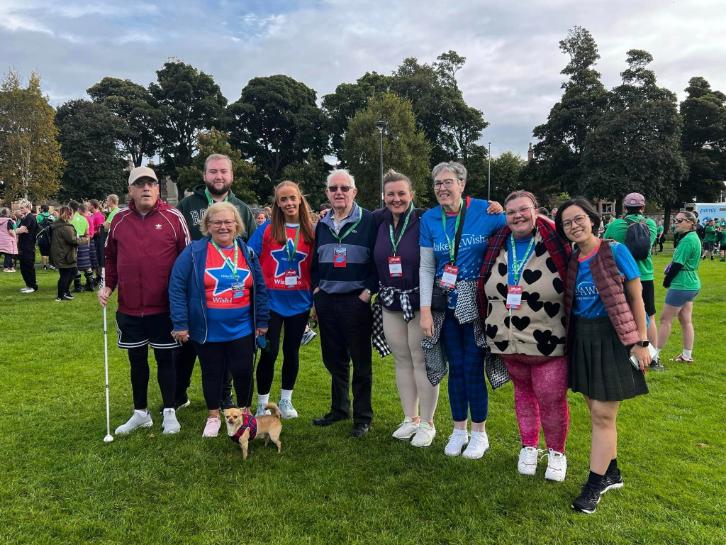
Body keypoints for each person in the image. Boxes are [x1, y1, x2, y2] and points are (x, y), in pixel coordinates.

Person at [555, 198, 651, 514]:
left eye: (578, 218)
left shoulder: (614, 250)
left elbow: (638, 297)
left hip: (613, 337)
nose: (573, 225)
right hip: (582, 336)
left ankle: (595, 484)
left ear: (593, 220)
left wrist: (642, 341)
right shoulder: (572, 258)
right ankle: (612, 471)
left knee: (603, 415)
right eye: (567, 222)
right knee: (594, 408)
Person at [480, 190, 571, 480]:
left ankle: (557, 451)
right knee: (522, 395)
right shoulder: (497, 244)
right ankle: (529, 446)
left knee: (551, 397)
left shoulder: (556, 242)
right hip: (507, 341)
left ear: (536, 211)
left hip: (547, 342)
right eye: (511, 212)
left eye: (523, 210)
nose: (517, 216)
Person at [419, 161, 505, 459]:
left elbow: (523, 225)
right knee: (455, 367)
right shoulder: (430, 218)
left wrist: (502, 206)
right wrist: (426, 309)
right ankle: (458, 429)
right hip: (445, 301)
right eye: (437, 183)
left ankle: (480, 432)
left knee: (472, 366)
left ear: (462, 184)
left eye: (447, 182)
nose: (442, 188)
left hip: (477, 301)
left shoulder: (486, 211)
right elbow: (427, 266)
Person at [98, 166, 190, 436]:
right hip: (129, 307)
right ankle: (140, 412)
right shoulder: (119, 220)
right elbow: (110, 259)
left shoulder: (174, 217)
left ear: (158, 189)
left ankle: (170, 411)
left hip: (164, 307)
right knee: (137, 360)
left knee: (166, 359)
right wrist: (108, 286)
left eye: (151, 184)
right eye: (140, 185)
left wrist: (184, 301)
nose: (146, 188)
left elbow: (187, 260)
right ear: (131, 190)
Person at [169, 202, 269, 438]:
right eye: (217, 222)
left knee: (243, 371)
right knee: (211, 372)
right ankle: (214, 416)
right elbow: (176, 287)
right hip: (207, 329)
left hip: (242, 328)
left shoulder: (247, 252)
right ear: (208, 226)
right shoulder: (194, 252)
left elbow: (261, 289)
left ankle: (243, 414)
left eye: (228, 222)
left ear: (237, 225)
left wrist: (262, 321)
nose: (223, 227)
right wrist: (180, 324)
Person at [174, 153, 257, 410]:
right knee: (188, 348)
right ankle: (179, 393)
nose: (218, 176)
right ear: (204, 175)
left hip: (230, 292)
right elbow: (177, 245)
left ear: (231, 175)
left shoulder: (242, 208)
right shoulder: (186, 206)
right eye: (213, 172)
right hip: (194, 290)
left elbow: (251, 251)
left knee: (229, 347)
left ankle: (224, 394)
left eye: (223, 171)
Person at [372, 170, 439, 447]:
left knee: (421, 359)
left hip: (420, 300)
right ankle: (409, 418)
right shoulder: (377, 219)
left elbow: (462, 214)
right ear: (384, 197)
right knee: (402, 360)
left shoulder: (426, 218)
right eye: (391, 194)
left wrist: (494, 208)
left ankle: (427, 422)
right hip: (389, 300)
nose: (396, 198)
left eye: (401, 193)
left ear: (411, 194)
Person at [311, 169, 378, 438]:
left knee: (361, 362)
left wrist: (368, 290)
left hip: (356, 301)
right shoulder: (322, 224)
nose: (339, 192)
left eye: (344, 188)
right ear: (327, 193)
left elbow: (380, 257)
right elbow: (314, 261)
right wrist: (316, 289)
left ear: (354, 191)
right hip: (327, 300)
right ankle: (340, 408)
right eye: (333, 188)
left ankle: (363, 417)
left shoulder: (370, 221)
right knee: (333, 359)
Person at [248, 181, 314, 420]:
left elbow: (315, 266)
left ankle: (286, 400)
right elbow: (249, 256)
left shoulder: (310, 229)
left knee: (292, 352)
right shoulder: (266, 229)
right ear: (277, 202)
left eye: (292, 198)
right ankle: (263, 403)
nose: (288, 203)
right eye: (283, 199)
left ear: (300, 199)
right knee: (269, 352)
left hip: (299, 302)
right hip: (271, 303)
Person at [603, 193, 658, 344]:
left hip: (623, 276)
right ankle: (654, 357)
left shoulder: (615, 224)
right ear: (643, 207)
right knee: (650, 316)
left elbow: (605, 244)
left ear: (625, 207)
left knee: (623, 315)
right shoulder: (650, 224)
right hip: (645, 275)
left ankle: (626, 351)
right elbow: (649, 245)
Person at [654, 210, 702, 365]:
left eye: (679, 221)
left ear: (690, 222)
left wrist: (667, 280)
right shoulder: (692, 237)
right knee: (685, 319)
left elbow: (678, 264)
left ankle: (654, 356)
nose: (676, 223)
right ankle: (687, 355)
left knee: (665, 319)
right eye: (675, 220)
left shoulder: (688, 239)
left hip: (682, 284)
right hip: (691, 284)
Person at [49, 206, 79, 302]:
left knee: (72, 272)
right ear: (68, 214)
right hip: (65, 254)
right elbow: (73, 240)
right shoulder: (65, 227)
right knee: (66, 275)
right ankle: (61, 295)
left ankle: (65, 292)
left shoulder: (58, 224)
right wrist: (85, 240)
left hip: (61, 252)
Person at [15, 199, 39, 293]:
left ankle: (33, 286)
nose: (20, 209)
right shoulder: (26, 218)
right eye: (20, 208)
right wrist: (19, 230)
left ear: (28, 207)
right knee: (23, 267)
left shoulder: (29, 217)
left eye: (22, 208)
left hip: (28, 246)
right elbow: (21, 229)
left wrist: (14, 231)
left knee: (28, 267)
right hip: (24, 245)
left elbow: (21, 230)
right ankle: (28, 285)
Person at [36, 204, 55, 270]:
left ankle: (44, 266)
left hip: (42, 236)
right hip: (50, 236)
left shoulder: (38, 216)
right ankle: (51, 264)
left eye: (40, 208)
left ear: (42, 209)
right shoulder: (52, 216)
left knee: (43, 251)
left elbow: (37, 226)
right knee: (50, 251)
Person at [0, 207, 17, 272]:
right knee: (9, 254)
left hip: (0, 240)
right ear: (8, 213)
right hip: (7, 240)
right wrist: (14, 235)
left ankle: (11, 267)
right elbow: (10, 230)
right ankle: (6, 268)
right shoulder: (9, 221)